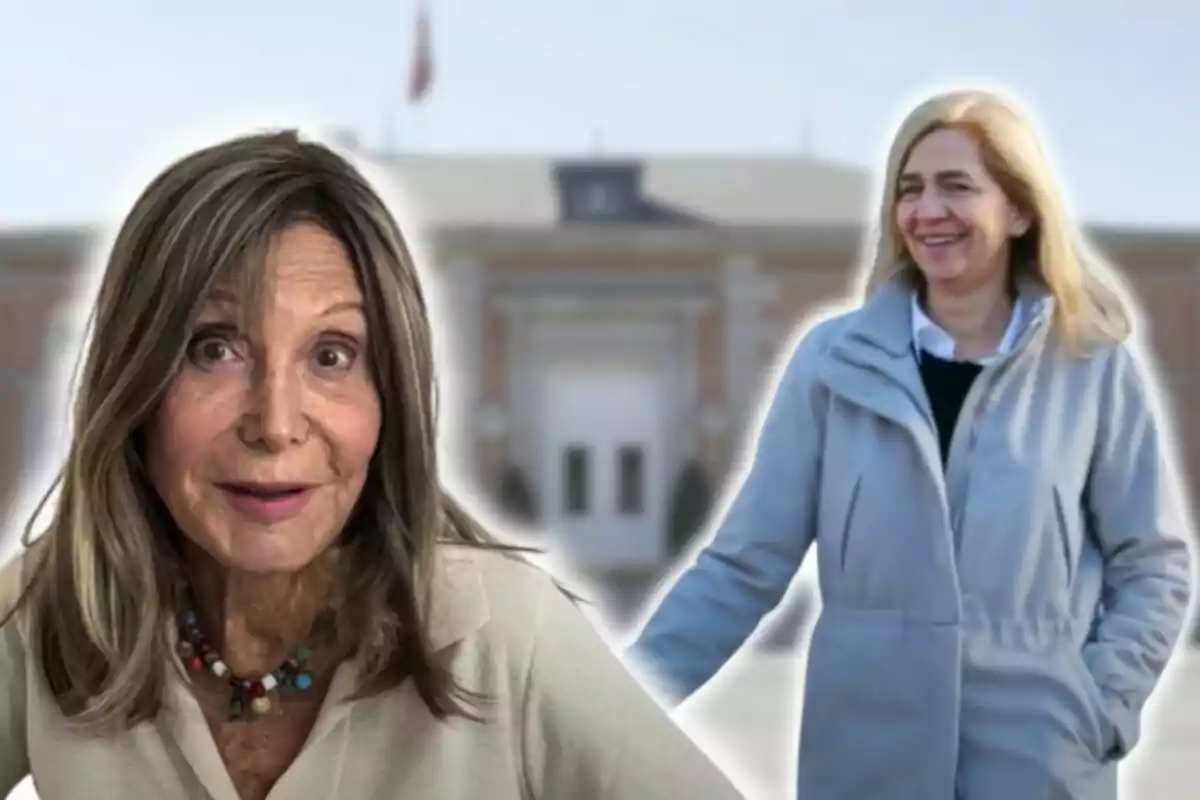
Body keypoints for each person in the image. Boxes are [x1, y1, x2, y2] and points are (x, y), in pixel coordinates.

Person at [0, 131, 744, 800]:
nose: (276, 425)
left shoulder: (505, 634)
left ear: (389, 401)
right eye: (214, 348)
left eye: (331, 356)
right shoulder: (43, 610)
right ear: (134, 381)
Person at [626, 89, 1194, 800]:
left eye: (958, 187)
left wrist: (1103, 707)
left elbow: (1155, 567)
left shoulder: (1093, 368)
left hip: (1039, 768)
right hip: (865, 765)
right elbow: (743, 566)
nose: (929, 211)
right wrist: (621, 705)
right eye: (911, 189)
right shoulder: (831, 364)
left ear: (1020, 210)